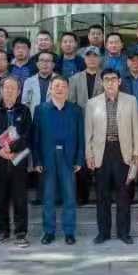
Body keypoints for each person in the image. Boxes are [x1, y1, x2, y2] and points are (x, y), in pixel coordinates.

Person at [85, 68, 138, 245]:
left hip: (123, 152)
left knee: (124, 194)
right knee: (102, 195)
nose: (110, 82)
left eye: (113, 79)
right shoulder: (92, 103)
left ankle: (124, 233)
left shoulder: (131, 101)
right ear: (102, 82)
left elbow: (136, 129)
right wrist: (89, 154)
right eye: (107, 79)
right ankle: (103, 233)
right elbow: (88, 133)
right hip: (101, 152)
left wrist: (137, 154)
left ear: (119, 81)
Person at [33, 75, 85, 245]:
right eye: (56, 86)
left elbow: (81, 136)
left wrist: (79, 159)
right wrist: (37, 160)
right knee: (48, 196)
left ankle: (69, 232)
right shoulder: (41, 110)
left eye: (63, 86)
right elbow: (36, 137)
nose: (59, 89)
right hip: (48, 157)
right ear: (50, 88)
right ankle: (49, 232)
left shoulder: (75, 110)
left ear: (68, 89)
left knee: (69, 196)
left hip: (68, 158)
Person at [0, 76, 33, 247]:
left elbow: (28, 135)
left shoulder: (24, 111)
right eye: (6, 88)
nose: (9, 91)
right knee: (0, 198)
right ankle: (2, 232)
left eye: (13, 88)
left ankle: (21, 234)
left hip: (18, 160)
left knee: (20, 199)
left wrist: (11, 149)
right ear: (1, 90)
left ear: (18, 92)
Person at [68, 46, 104, 205]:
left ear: (100, 58)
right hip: (81, 125)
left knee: (101, 161)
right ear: (84, 59)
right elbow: (71, 104)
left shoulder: (106, 77)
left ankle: (102, 196)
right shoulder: (75, 79)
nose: (92, 59)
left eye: (95, 56)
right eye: (88, 56)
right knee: (82, 162)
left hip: (102, 126)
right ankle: (82, 196)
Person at [22, 51, 56, 116]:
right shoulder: (28, 81)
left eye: (48, 61)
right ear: (37, 64)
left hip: (53, 117)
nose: (45, 64)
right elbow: (25, 103)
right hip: (33, 117)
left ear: (53, 65)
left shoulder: (60, 81)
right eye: (41, 60)